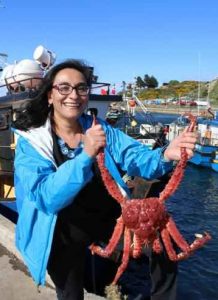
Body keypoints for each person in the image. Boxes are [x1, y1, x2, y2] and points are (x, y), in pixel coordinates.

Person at [12, 59, 197, 300]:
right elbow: (47, 198)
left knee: (162, 243)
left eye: (81, 88)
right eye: (64, 88)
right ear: (49, 95)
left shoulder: (101, 129)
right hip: (61, 228)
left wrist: (166, 154)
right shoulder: (31, 142)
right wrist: (85, 156)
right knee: (70, 292)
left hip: (109, 219)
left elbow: (135, 157)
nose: (73, 95)